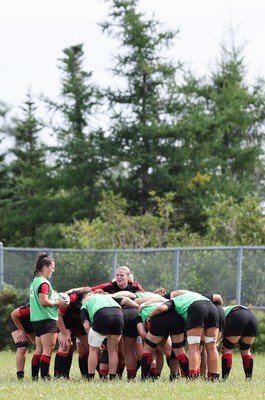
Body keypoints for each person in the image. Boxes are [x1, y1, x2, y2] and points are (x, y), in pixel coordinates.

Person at [148, 291, 220, 380]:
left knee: (194, 346)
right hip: (213, 309)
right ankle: (214, 376)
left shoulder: (175, 300)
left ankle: (193, 377)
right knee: (212, 346)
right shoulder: (196, 295)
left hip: (197, 310)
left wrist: (150, 316)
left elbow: (161, 308)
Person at [91, 266, 145, 378]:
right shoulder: (109, 286)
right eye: (117, 275)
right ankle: (114, 375)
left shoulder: (135, 287)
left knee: (135, 352)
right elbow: (90, 291)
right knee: (116, 350)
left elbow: (144, 298)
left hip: (131, 319)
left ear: (128, 277)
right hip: (116, 319)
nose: (119, 277)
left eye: (122, 275)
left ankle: (132, 376)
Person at [80, 291, 139, 380]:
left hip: (102, 315)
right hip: (119, 315)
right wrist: (138, 306)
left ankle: (90, 378)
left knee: (93, 350)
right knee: (113, 349)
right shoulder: (109, 298)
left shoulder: (85, 304)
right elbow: (126, 300)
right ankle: (112, 377)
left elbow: (86, 326)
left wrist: (93, 339)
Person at [29, 252, 69, 380]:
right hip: (46, 319)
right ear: (45, 267)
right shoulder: (44, 283)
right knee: (48, 350)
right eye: (52, 267)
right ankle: (45, 378)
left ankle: (35, 377)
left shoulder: (35, 281)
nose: (53, 270)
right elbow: (44, 301)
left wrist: (56, 297)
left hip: (36, 320)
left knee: (39, 350)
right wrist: (59, 303)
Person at [54, 286, 92, 379]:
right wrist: (64, 333)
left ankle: (87, 377)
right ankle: (58, 376)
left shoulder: (94, 299)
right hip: (65, 322)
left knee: (90, 347)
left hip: (79, 323)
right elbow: (58, 315)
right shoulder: (72, 297)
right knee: (65, 345)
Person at [220, 305, 258, 380]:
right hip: (252, 316)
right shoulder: (222, 309)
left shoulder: (216, 312)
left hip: (236, 316)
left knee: (227, 350)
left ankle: (225, 379)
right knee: (246, 351)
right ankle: (249, 378)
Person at [10, 302, 42, 380]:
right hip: (18, 323)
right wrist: (21, 330)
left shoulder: (48, 308)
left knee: (41, 347)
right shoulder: (30, 307)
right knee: (22, 346)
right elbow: (13, 314)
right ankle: (20, 376)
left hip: (31, 325)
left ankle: (39, 374)